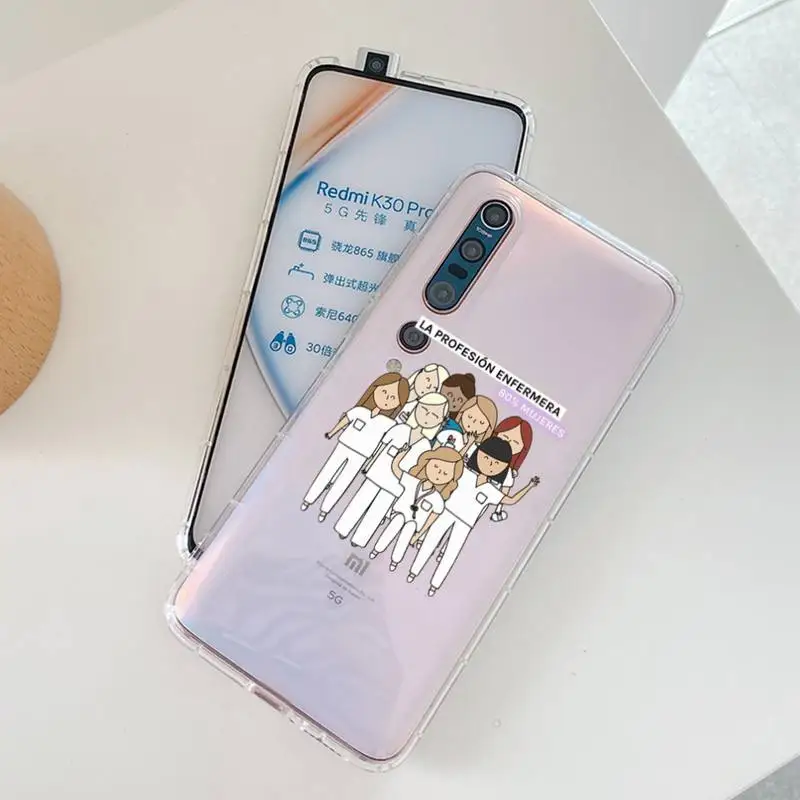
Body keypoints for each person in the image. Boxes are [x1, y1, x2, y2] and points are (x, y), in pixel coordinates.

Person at [407, 437, 540, 596]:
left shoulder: (491, 490)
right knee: (430, 541)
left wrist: (529, 486)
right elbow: (453, 463)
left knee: (451, 553)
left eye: (496, 464)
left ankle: (435, 585)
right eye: (486, 458)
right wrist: (468, 443)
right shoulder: (464, 473)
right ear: (478, 454)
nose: (490, 465)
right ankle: (414, 571)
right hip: (446, 512)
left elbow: (511, 500)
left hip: (465, 524)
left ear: (503, 468)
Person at [335, 392, 449, 546]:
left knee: (378, 511)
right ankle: (343, 528)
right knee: (360, 500)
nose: (427, 417)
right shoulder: (399, 429)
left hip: (396, 484)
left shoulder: (425, 446)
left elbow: (416, 471)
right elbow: (381, 446)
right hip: (378, 471)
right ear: (417, 407)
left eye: (434, 416)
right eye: (424, 410)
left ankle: (360, 539)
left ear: (440, 422)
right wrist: (368, 465)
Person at [301, 372, 409, 522]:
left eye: (393, 398)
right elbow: (346, 419)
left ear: (398, 404)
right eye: (384, 392)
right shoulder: (360, 411)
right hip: (344, 445)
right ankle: (309, 499)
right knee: (327, 471)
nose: (386, 399)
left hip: (362, 455)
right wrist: (332, 432)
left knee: (343, 482)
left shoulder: (389, 423)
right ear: (375, 389)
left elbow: (388, 442)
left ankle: (325, 509)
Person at [368, 446, 464, 570]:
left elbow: (431, 519)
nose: (439, 473)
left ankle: (395, 560)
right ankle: (377, 549)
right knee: (397, 520)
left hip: (415, 523)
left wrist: (418, 535)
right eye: (435, 466)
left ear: (451, 479)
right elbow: (396, 469)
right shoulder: (412, 482)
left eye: (445, 473)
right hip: (400, 513)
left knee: (409, 529)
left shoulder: (437, 500)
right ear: (427, 462)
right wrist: (400, 456)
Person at [489, 416, 534, 522]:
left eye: (515, 442)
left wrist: (499, 509)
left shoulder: (507, 474)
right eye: (505, 436)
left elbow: (506, 496)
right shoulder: (478, 453)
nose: (508, 443)